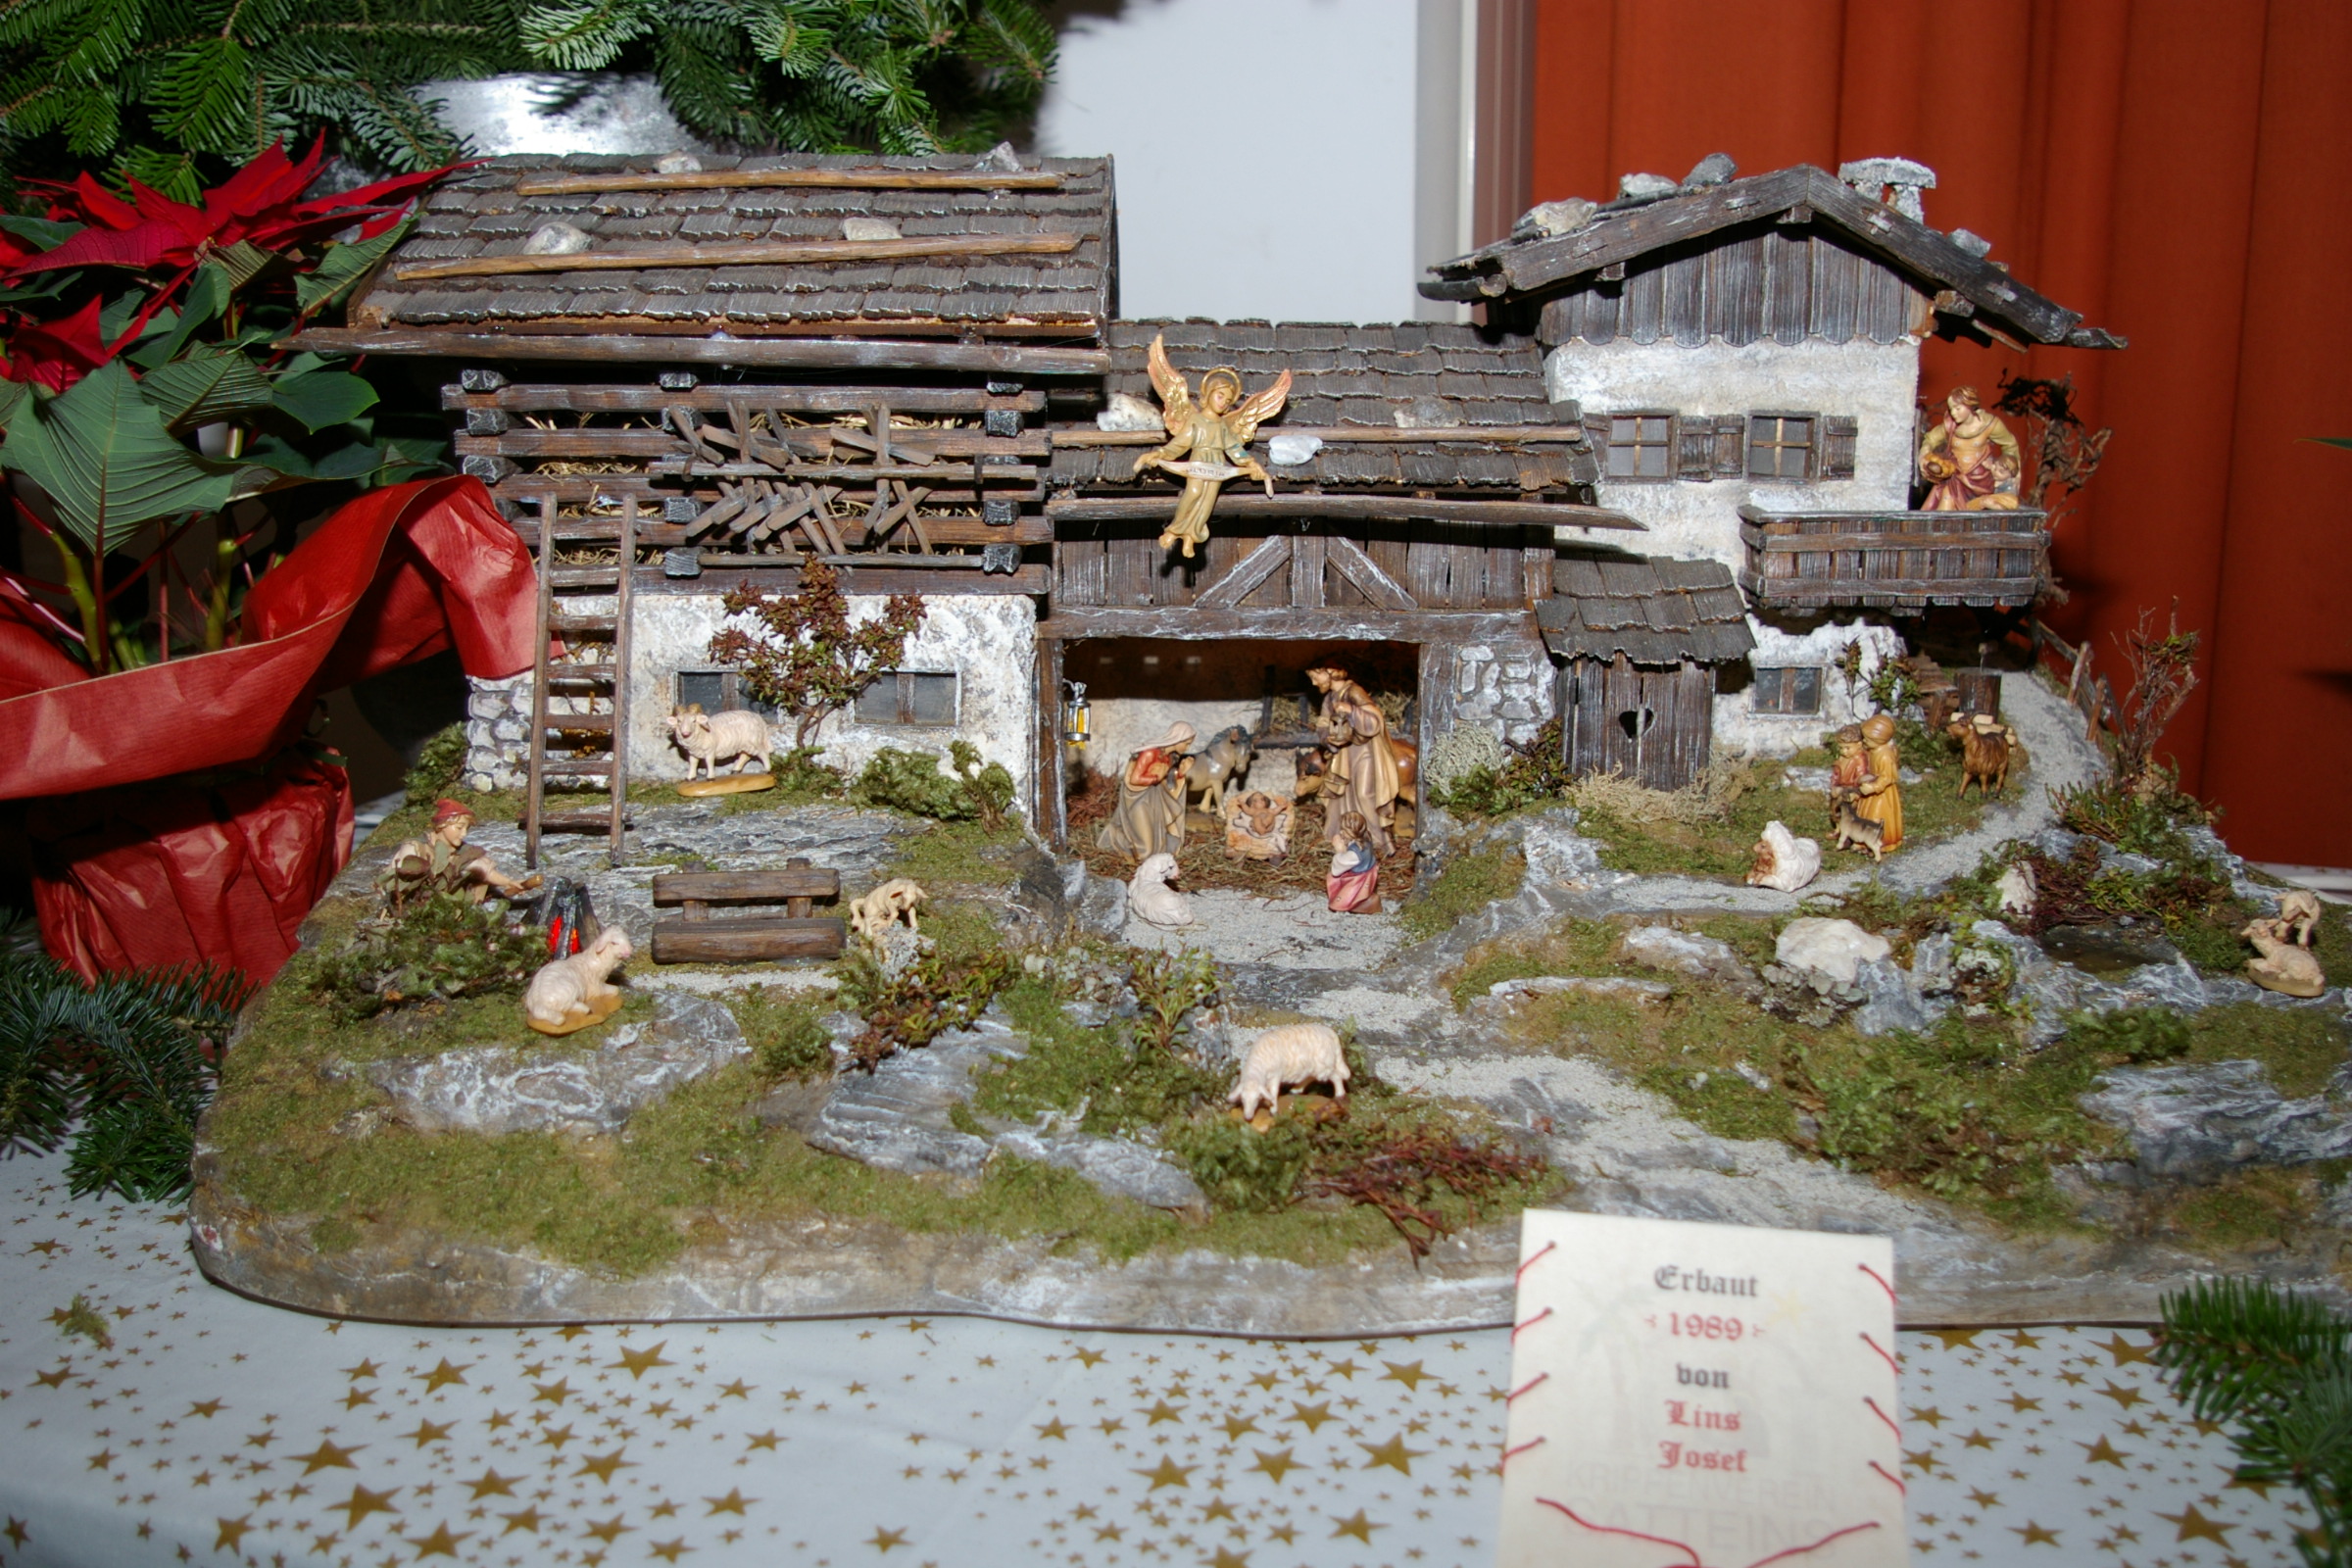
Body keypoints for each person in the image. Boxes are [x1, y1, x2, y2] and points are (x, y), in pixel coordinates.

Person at [1305, 664, 1401, 858]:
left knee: (1365, 794)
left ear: (1330, 672)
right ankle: (1340, 837)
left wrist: (1351, 710)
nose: (1314, 683)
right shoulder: (1329, 698)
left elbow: (1374, 722)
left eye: (1316, 677)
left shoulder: (1354, 691)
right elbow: (1322, 724)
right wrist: (1328, 739)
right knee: (1339, 795)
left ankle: (1378, 841)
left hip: (1364, 752)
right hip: (1343, 755)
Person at [376, 799, 536, 911]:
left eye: (466, 829)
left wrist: (508, 882)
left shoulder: (461, 852)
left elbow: (483, 869)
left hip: (445, 906)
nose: (463, 833)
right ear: (443, 825)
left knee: (478, 884)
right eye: (459, 828)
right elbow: (395, 877)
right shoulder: (416, 848)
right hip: (413, 906)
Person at [1096, 721, 1194, 861]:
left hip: (1155, 799)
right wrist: (1156, 778)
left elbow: (1164, 783)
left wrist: (1181, 773)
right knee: (1146, 852)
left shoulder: (1168, 757)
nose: (1188, 748)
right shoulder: (1150, 753)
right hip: (1139, 800)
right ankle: (1114, 834)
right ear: (1178, 738)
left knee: (1159, 847)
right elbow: (1135, 779)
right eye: (1187, 743)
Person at [1917, 386, 2022, 512]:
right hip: (1954, 477)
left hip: (1979, 481)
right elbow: (1931, 439)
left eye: (1957, 408)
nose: (1953, 413)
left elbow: (2010, 445)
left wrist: (2013, 474)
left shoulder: (1989, 424)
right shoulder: (1950, 425)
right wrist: (1923, 455)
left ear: (1969, 405)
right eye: (1951, 409)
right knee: (1946, 501)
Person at [1852, 714, 1905, 851]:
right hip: (1872, 787)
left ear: (1879, 740)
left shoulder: (1885, 756)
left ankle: (1881, 842)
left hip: (1882, 793)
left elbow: (1888, 777)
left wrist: (1874, 787)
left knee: (1876, 817)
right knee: (1865, 815)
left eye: (1868, 739)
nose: (1864, 741)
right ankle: (1864, 841)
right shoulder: (1874, 751)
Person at [1326, 812, 1383, 914]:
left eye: (1344, 830)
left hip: (1359, 878)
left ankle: (1354, 903)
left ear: (1352, 831)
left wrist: (1339, 850)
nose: (1341, 832)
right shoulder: (1365, 838)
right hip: (1365, 870)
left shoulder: (1354, 853)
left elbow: (1336, 870)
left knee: (1335, 881)